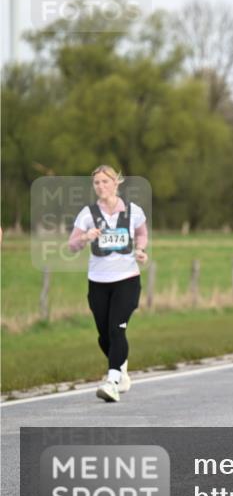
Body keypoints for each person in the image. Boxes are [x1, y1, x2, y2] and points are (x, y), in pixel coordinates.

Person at [67, 165, 149, 403]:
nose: (100, 186)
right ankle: (121, 371)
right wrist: (84, 237)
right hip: (98, 283)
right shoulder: (87, 213)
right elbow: (71, 246)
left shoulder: (134, 211)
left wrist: (141, 250)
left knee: (117, 329)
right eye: (96, 183)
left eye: (105, 181)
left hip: (127, 280)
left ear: (116, 183)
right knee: (104, 337)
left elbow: (142, 234)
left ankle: (112, 381)